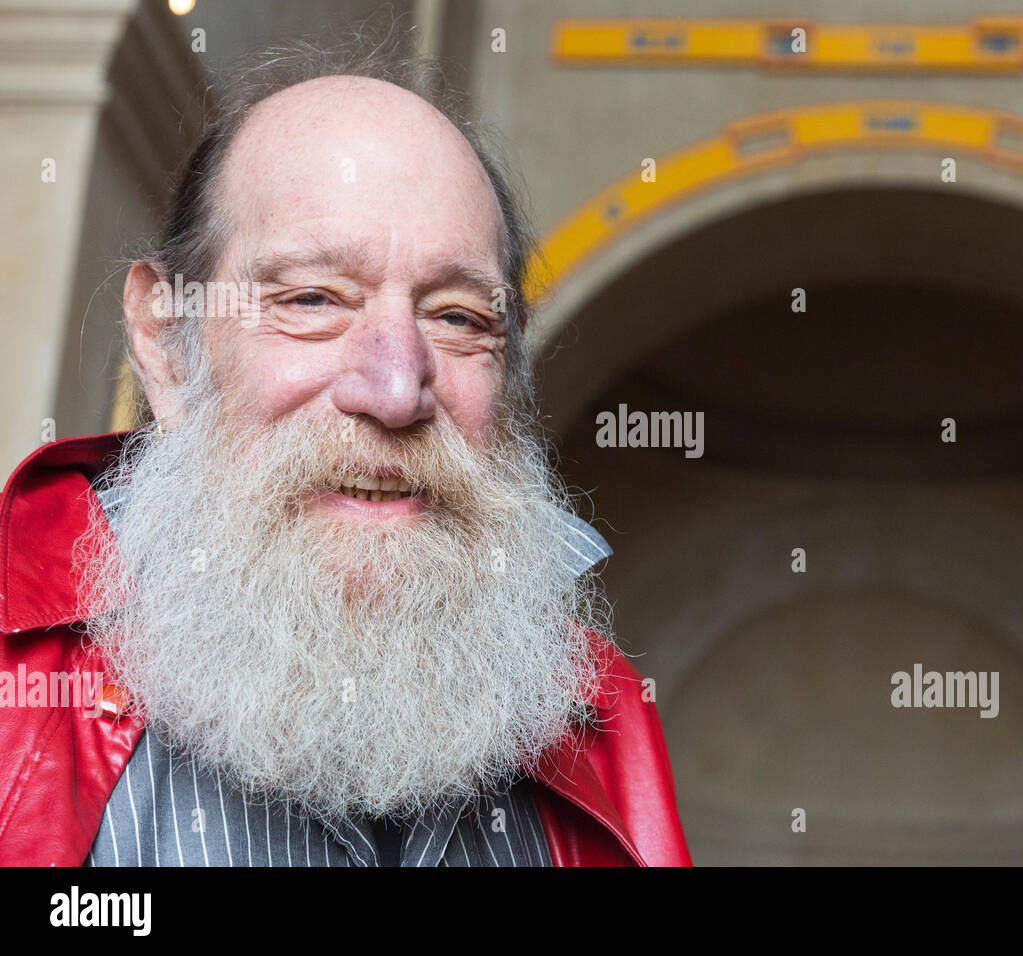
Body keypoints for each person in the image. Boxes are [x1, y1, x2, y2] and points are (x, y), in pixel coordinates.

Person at [0, 34, 690, 867]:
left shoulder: (596, 710)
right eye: (313, 298)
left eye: (458, 317)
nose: (397, 391)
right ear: (164, 339)